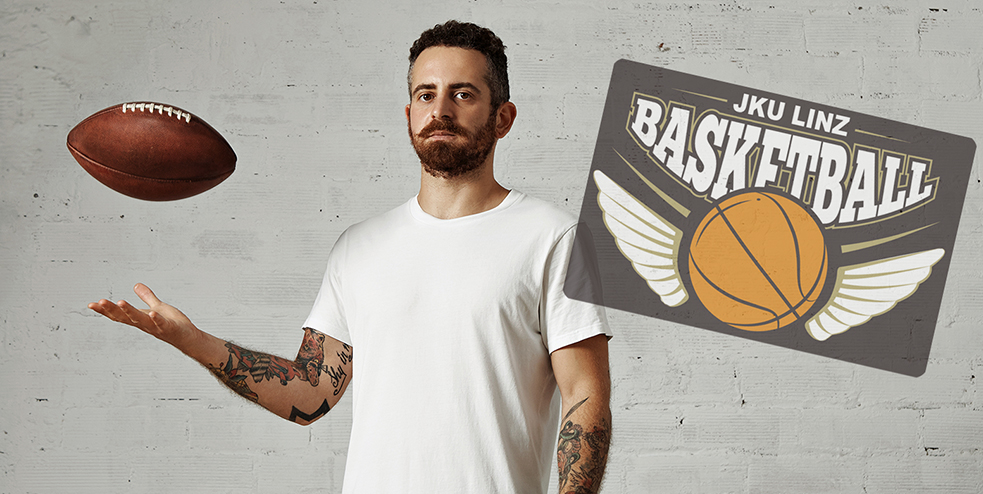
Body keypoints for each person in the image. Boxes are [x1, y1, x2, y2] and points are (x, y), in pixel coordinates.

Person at [89, 20, 611, 494]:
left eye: (463, 94)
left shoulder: (553, 237)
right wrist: (191, 339)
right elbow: (308, 392)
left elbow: (584, 396)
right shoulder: (359, 247)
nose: (440, 111)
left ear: (503, 118)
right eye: (425, 95)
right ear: (409, 115)